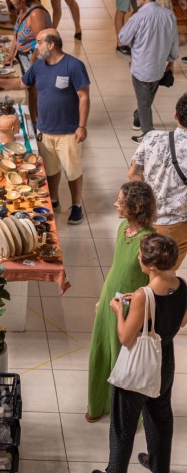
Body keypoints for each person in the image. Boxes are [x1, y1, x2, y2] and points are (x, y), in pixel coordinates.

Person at [96, 234, 187, 473]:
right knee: (160, 417)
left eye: (140, 256)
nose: (138, 258)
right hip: (164, 360)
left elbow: (126, 338)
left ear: (150, 266)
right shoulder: (182, 286)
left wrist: (119, 311)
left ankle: (115, 471)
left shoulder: (142, 296)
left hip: (139, 366)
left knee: (122, 427)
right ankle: (158, 466)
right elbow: (182, 321)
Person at [0, 29, 90, 225]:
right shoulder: (38, 66)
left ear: (51, 44)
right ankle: (54, 200)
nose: (35, 46)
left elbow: (84, 96)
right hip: (45, 128)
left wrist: (82, 126)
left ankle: (77, 205)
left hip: (68, 131)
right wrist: (0, 82)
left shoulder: (73, 66)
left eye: (39, 42)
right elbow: (21, 83)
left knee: (72, 171)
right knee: (51, 168)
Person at [86, 181, 157, 423]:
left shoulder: (149, 240)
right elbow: (117, 268)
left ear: (136, 206)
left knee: (122, 360)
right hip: (111, 298)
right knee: (101, 350)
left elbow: (153, 281)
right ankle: (97, 404)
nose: (116, 204)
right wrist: (102, 297)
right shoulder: (122, 229)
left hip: (130, 306)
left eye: (120, 201)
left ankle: (124, 416)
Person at [128, 93, 187, 269]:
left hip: (146, 219)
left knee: (144, 271)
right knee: (163, 277)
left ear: (175, 115)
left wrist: (151, 198)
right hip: (176, 226)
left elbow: (133, 173)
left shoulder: (152, 137)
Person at [118, 0, 178, 143]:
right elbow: (174, 40)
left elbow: (123, 38)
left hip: (141, 68)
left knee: (144, 101)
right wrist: (171, 61)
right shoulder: (168, 15)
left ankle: (148, 134)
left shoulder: (138, 17)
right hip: (159, 66)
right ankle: (138, 118)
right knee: (147, 96)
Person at [7, 0, 52, 125]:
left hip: (35, 60)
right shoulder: (23, 9)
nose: (10, 0)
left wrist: (33, 62)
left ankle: (38, 124)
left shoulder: (35, 14)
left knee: (36, 94)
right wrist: (11, 53)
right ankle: (33, 121)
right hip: (25, 59)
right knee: (31, 94)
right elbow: (17, 34)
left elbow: (41, 42)